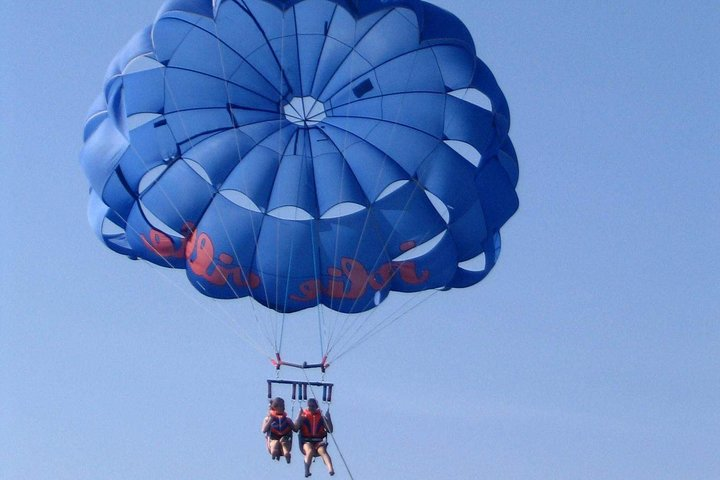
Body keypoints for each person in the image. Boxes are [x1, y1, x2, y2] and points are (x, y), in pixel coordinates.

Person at [295, 398, 335, 477]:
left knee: (323, 451)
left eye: (313, 406)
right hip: (306, 441)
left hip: (318, 441)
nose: (311, 408)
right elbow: (296, 428)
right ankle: (307, 470)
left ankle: (330, 469)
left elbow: (330, 430)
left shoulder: (321, 417)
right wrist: (299, 416)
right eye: (310, 406)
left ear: (316, 407)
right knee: (309, 451)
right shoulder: (304, 416)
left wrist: (328, 418)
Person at [261, 397, 294, 463]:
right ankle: (274, 452)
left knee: (284, 442)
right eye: (282, 406)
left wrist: (300, 417)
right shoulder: (268, 418)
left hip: (285, 438)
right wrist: (271, 420)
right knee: (274, 443)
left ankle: (286, 454)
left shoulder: (287, 419)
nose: (284, 408)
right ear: (275, 407)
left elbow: (295, 428)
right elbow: (264, 430)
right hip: (273, 437)